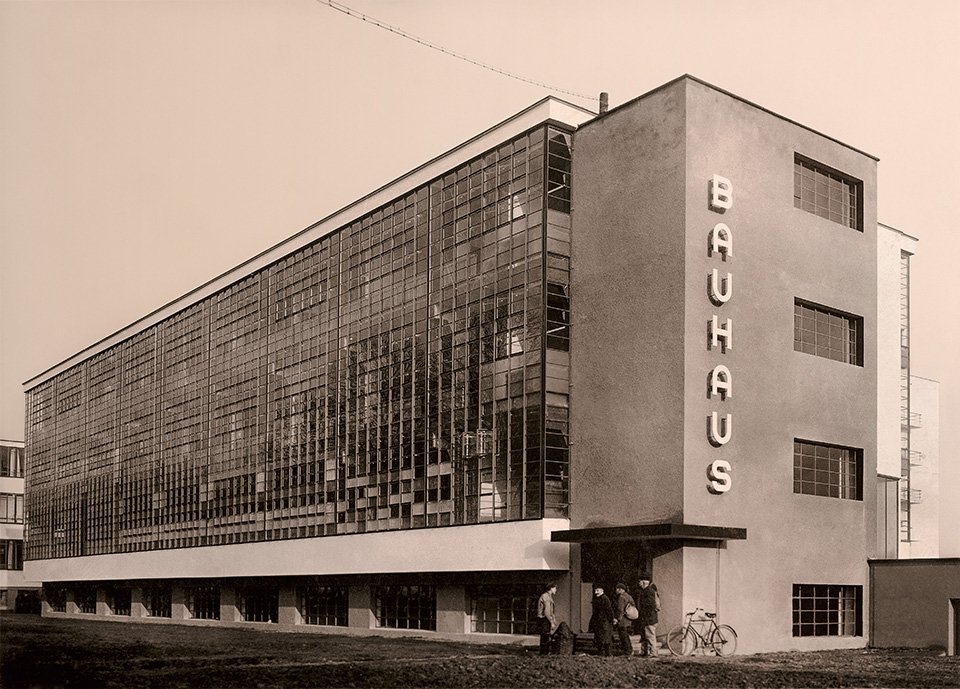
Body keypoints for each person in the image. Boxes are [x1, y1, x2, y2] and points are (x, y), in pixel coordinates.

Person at [636, 574, 660, 657]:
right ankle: (645, 652)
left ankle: (653, 653)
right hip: (647, 619)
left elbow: (650, 605)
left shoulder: (648, 591)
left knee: (650, 636)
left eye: (640, 581)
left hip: (649, 619)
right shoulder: (646, 591)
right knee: (645, 636)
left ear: (643, 582)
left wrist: (644, 616)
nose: (639, 583)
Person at [588, 585, 615, 656]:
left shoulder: (604, 599)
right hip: (600, 621)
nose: (596, 592)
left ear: (602, 590)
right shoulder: (598, 599)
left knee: (605, 639)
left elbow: (609, 610)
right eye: (595, 590)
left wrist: (611, 619)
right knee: (601, 638)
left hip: (604, 621)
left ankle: (607, 654)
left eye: (597, 590)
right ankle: (603, 654)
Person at [613, 582, 636, 656]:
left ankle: (628, 651)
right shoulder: (629, 596)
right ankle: (629, 651)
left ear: (620, 589)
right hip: (628, 619)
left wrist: (617, 619)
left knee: (623, 636)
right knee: (626, 635)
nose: (616, 590)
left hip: (623, 620)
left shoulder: (621, 597)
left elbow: (620, 609)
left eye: (617, 589)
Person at [537, 582, 558, 656]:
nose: (556, 590)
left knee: (546, 637)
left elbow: (551, 611)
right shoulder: (546, 597)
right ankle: (543, 654)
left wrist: (553, 618)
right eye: (555, 588)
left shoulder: (548, 596)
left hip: (546, 619)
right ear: (551, 588)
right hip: (544, 619)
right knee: (545, 637)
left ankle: (544, 654)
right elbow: (546, 612)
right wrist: (551, 621)